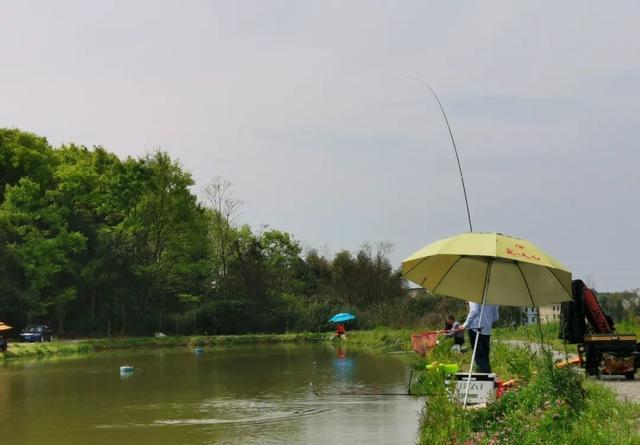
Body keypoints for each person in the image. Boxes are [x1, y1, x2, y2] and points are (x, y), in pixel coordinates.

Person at [457, 302, 499, 373]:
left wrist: (464, 325)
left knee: (480, 358)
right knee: (485, 358)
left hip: (476, 329)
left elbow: (474, 311)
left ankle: (485, 380)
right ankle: (488, 378)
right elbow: (496, 317)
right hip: (487, 331)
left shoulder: (474, 294)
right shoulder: (492, 298)